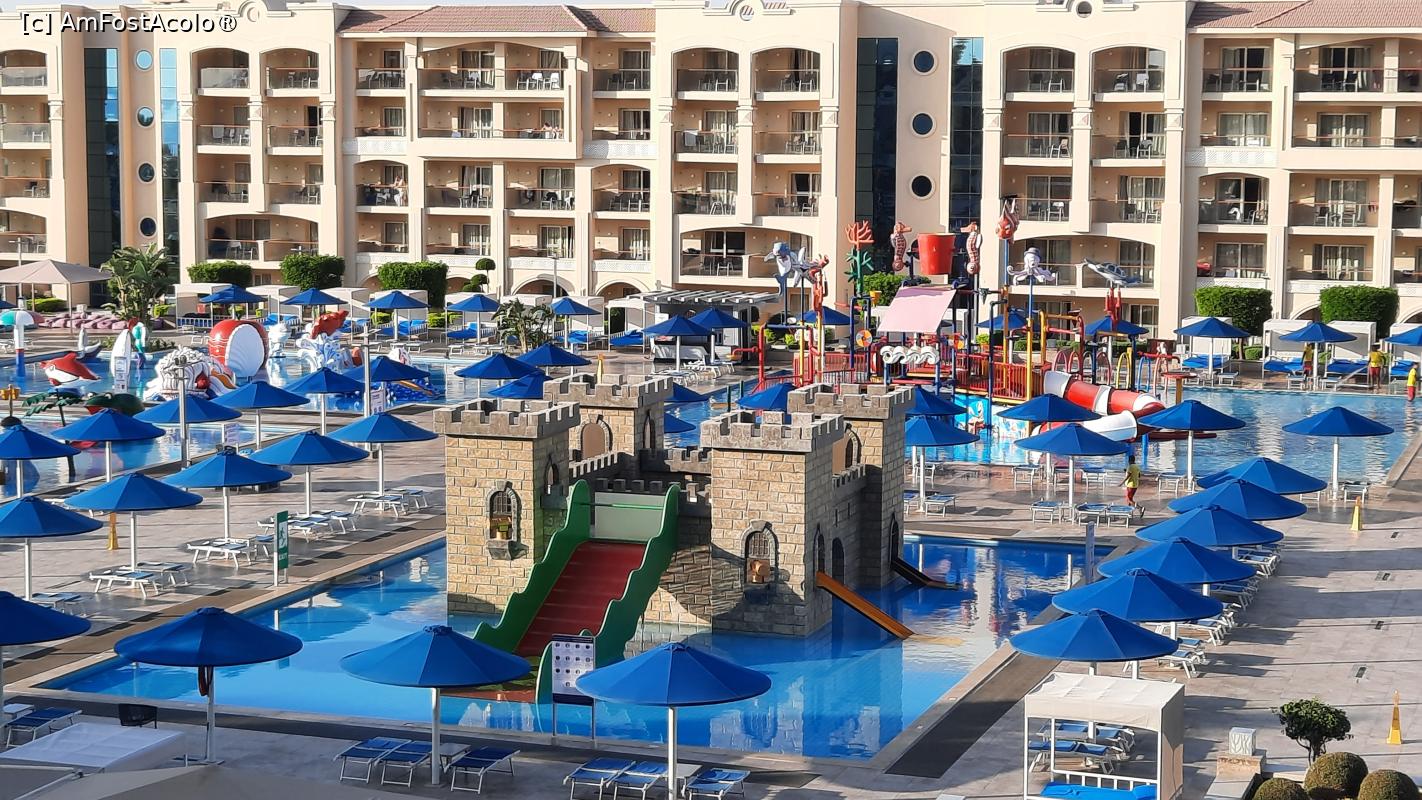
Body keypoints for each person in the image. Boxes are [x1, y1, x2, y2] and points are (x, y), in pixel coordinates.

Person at [1121, 453, 1143, 518]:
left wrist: (1122, 482)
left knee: (1128, 499)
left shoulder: (1130, 467)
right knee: (1130, 499)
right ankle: (1129, 512)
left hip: (1130, 485)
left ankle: (1140, 508)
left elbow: (1128, 476)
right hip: (1135, 485)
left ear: (1129, 461)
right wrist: (1127, 471)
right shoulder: (1137, 467)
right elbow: (1139, 475)